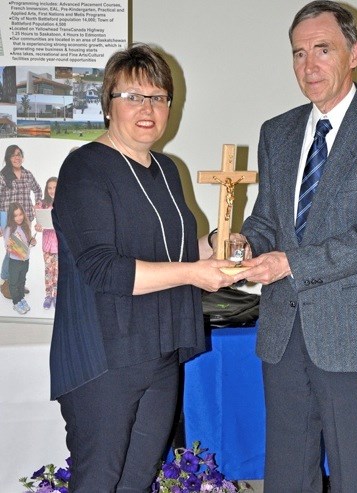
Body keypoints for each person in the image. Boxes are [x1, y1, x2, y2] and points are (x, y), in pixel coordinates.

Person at [234, 2, 357, 492]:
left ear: (354, 53)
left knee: (356, 473)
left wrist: (288, 262)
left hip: (352, 332)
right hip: (282, 328)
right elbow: (267, 219)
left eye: (323, 49)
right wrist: (239, 241)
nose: (308, 65)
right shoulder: (276, 132)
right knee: (287, 472)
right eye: (298, 53)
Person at [50, 43, 236, 491]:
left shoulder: (167, 169)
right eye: (133, 96)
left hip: (159, 352)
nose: (147, 108)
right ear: (108, 105)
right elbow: (104, 270)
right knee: (98, 482)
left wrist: (214, 247)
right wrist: (194, 273)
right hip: (105, 359)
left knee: (137, 483)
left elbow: (171, 250)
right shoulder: (85, 168)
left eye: (158, 97)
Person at [0, 145, 42, 285]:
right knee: (11, 251)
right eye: (13, 155)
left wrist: (37, 205)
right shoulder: (3, 176)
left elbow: (37, 190)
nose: (16, 157)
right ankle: (5, 280)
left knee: (23, 250)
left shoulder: (27, 174)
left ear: (22, 157)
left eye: (18, 154)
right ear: (8, 158)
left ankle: (17, 282)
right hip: (9, 219)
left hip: (25, 219)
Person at [3, 202, 36, 314]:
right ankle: (16, 302)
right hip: (15, 261)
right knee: (13, 282)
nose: (18, 218)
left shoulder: (25, 226)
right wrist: (9, 245)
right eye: (15, 215)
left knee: (22, 280)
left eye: (20, 214)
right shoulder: (9, 228)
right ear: (11, 217)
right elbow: (7, 247)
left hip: (25, 260)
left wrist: (33, 241)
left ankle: (21, 299)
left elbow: (29, 241)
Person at [34, 177, 58, 309]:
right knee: (49, 271)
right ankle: (49, 296)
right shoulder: (42, 204)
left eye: (55, 187)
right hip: (47, 245)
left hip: (60, 245)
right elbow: (38, 225)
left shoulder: (65, 203)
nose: (52, 190)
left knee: (59, 272)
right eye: (49, 187)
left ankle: (57, 296)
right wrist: (37, 227)